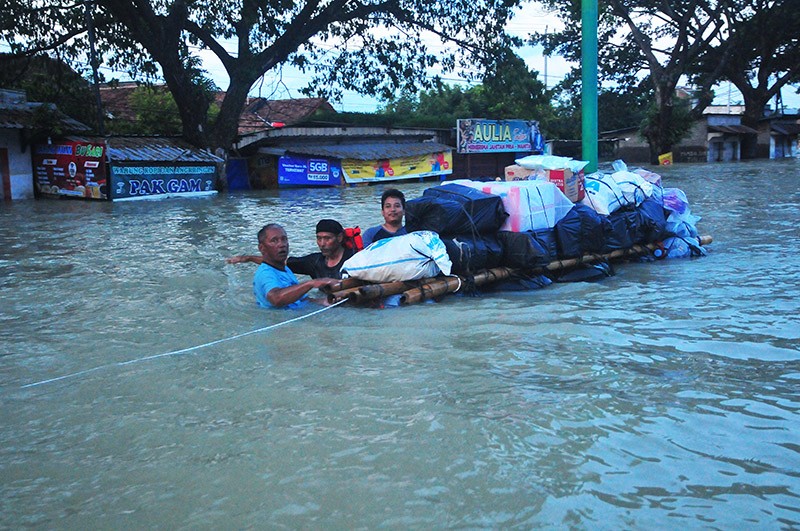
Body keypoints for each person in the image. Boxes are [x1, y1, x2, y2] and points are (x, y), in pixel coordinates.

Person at [227, 219, 355, 280]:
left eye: (327, 238)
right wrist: (248, 258)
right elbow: (278, 262)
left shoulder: (355, 259)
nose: (322, 244)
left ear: (339, 238)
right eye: (319, 238)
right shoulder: (314, 262)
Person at [252, 224, 337, 309]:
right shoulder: (265, 273)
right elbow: (276, 299)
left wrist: (325, 301)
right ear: (261, 248)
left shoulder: (284, 269)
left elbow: (302, 300)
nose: (282, 244)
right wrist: (311, 283)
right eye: (274, 241)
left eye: (284, 239)